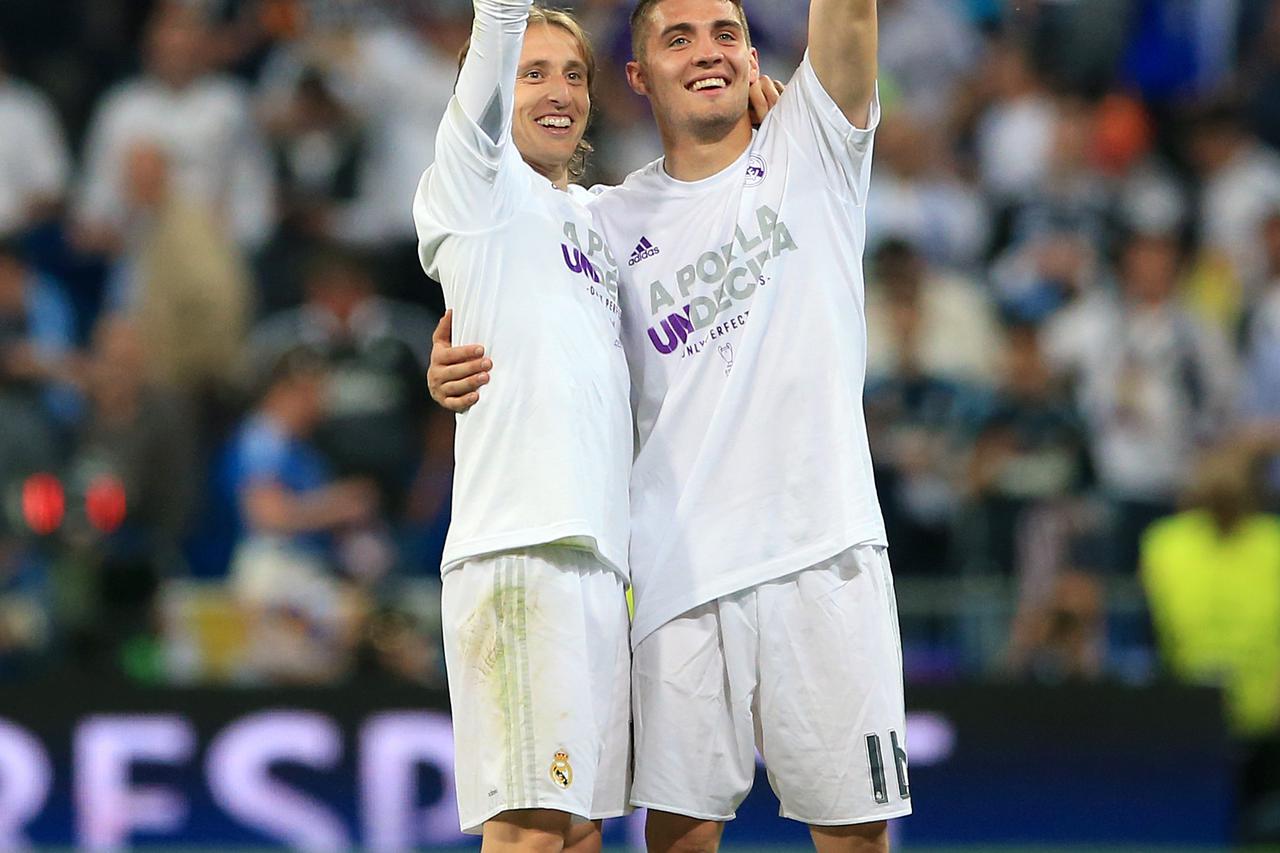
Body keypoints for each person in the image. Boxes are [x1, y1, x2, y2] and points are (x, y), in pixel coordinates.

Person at [430, 1, 908, 850]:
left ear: (755, 53)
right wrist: (450, 355)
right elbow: (526, 302)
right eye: (677, 38)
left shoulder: (814, 145)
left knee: (856, 836)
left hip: (824, 549)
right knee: (674, 836)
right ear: (639, 76)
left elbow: (848, 20)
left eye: (725, 33)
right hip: (675, 576)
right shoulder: (603, 221)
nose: (707, 53)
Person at [413, 3, 634, 851]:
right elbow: (498, 20)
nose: (558, 92)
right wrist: (499, 30)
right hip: (521, 547)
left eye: (573, 74)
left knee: (579, 830)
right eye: (532, 72)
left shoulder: (596, 220)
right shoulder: (477, 186)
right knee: (530, 830)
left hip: (596, 558)